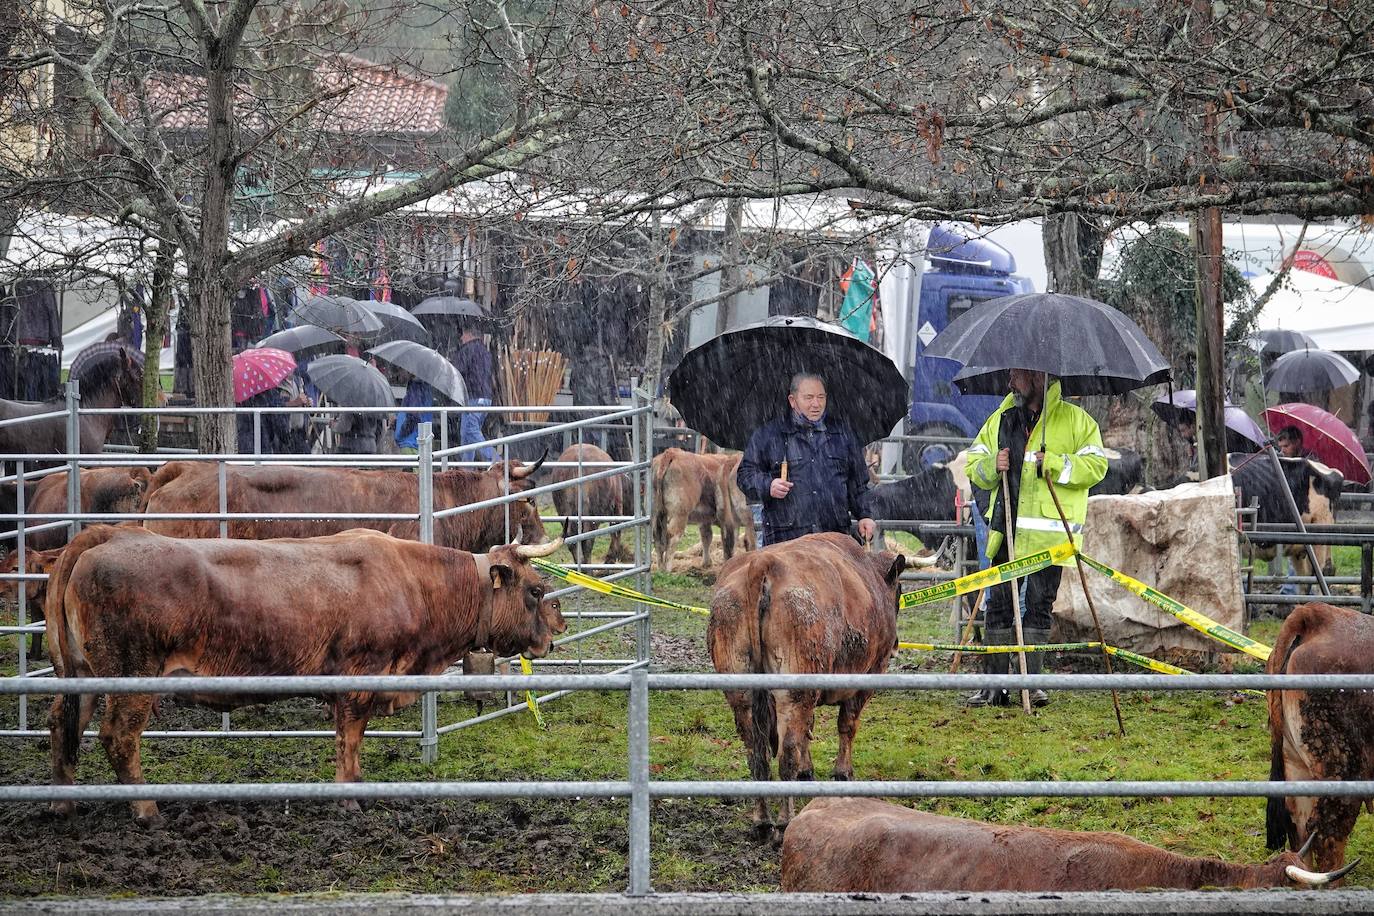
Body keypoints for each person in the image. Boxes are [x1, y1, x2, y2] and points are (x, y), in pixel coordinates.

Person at [964, 369, 1107, 708]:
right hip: (1007, 530)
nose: (1010, 382)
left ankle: (1032, 683)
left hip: (1049, 538)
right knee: (998, 607)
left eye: (1017, 376)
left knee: (1039, 609)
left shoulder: (1077, 421)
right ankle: (994, 687)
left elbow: (1097, 466)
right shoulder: (1001, 417)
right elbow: (973, 462)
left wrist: (1056, 463)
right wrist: (990, 464)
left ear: (1036, 376)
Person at [737, 372, 877, 547]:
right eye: (808, 397)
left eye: (821, 397)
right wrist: (768, 485)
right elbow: (745, 475)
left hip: (833, 538)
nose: (816, 404)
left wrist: (865, 514)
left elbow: (858, 484)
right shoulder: (769, 435)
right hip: (785, 541)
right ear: (792, 401)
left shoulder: (843, 435)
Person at [451, 321, 496, 462]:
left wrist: (448, 363)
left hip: (474, 397)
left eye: (463, 334)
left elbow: (457, 371)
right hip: (486, 397)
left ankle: (497, 460)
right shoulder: (485, 351)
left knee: (470, 430)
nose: (461, 338)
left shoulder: (468, 350)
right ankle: (467, 469)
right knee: (467, 434)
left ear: (469, 334)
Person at [394, 378, 434, 456]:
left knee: (413, 466)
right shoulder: (426, 390)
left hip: (410, 443)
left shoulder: (415, 390)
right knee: (421, 466)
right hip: (420, 442)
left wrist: (400, 435)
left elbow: (413, 415)